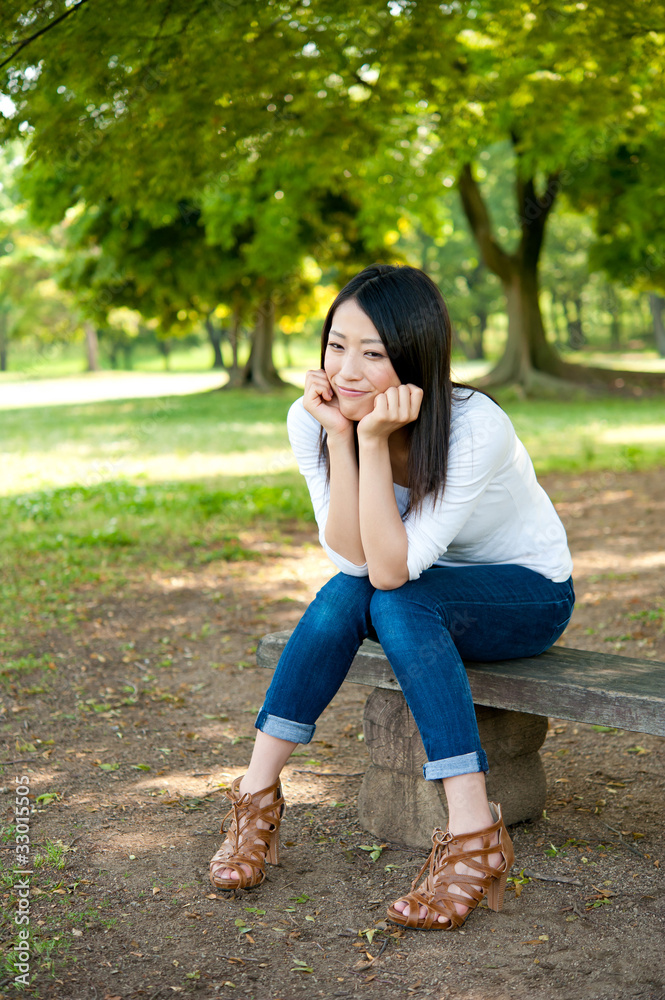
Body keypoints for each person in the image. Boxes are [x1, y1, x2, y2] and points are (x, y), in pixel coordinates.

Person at [209, 263, 575, 931]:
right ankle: (255, 795)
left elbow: (390, 572)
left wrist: (374, 440)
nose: (346, 369)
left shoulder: (473, 426)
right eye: (336, 345)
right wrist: (345, 437)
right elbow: (354, 560)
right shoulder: (311, 418)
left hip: (525, 593)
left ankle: (472, 836)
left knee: (398, 599)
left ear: (411, 358)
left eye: (372, 354)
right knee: (362, 593)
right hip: (410, 588)